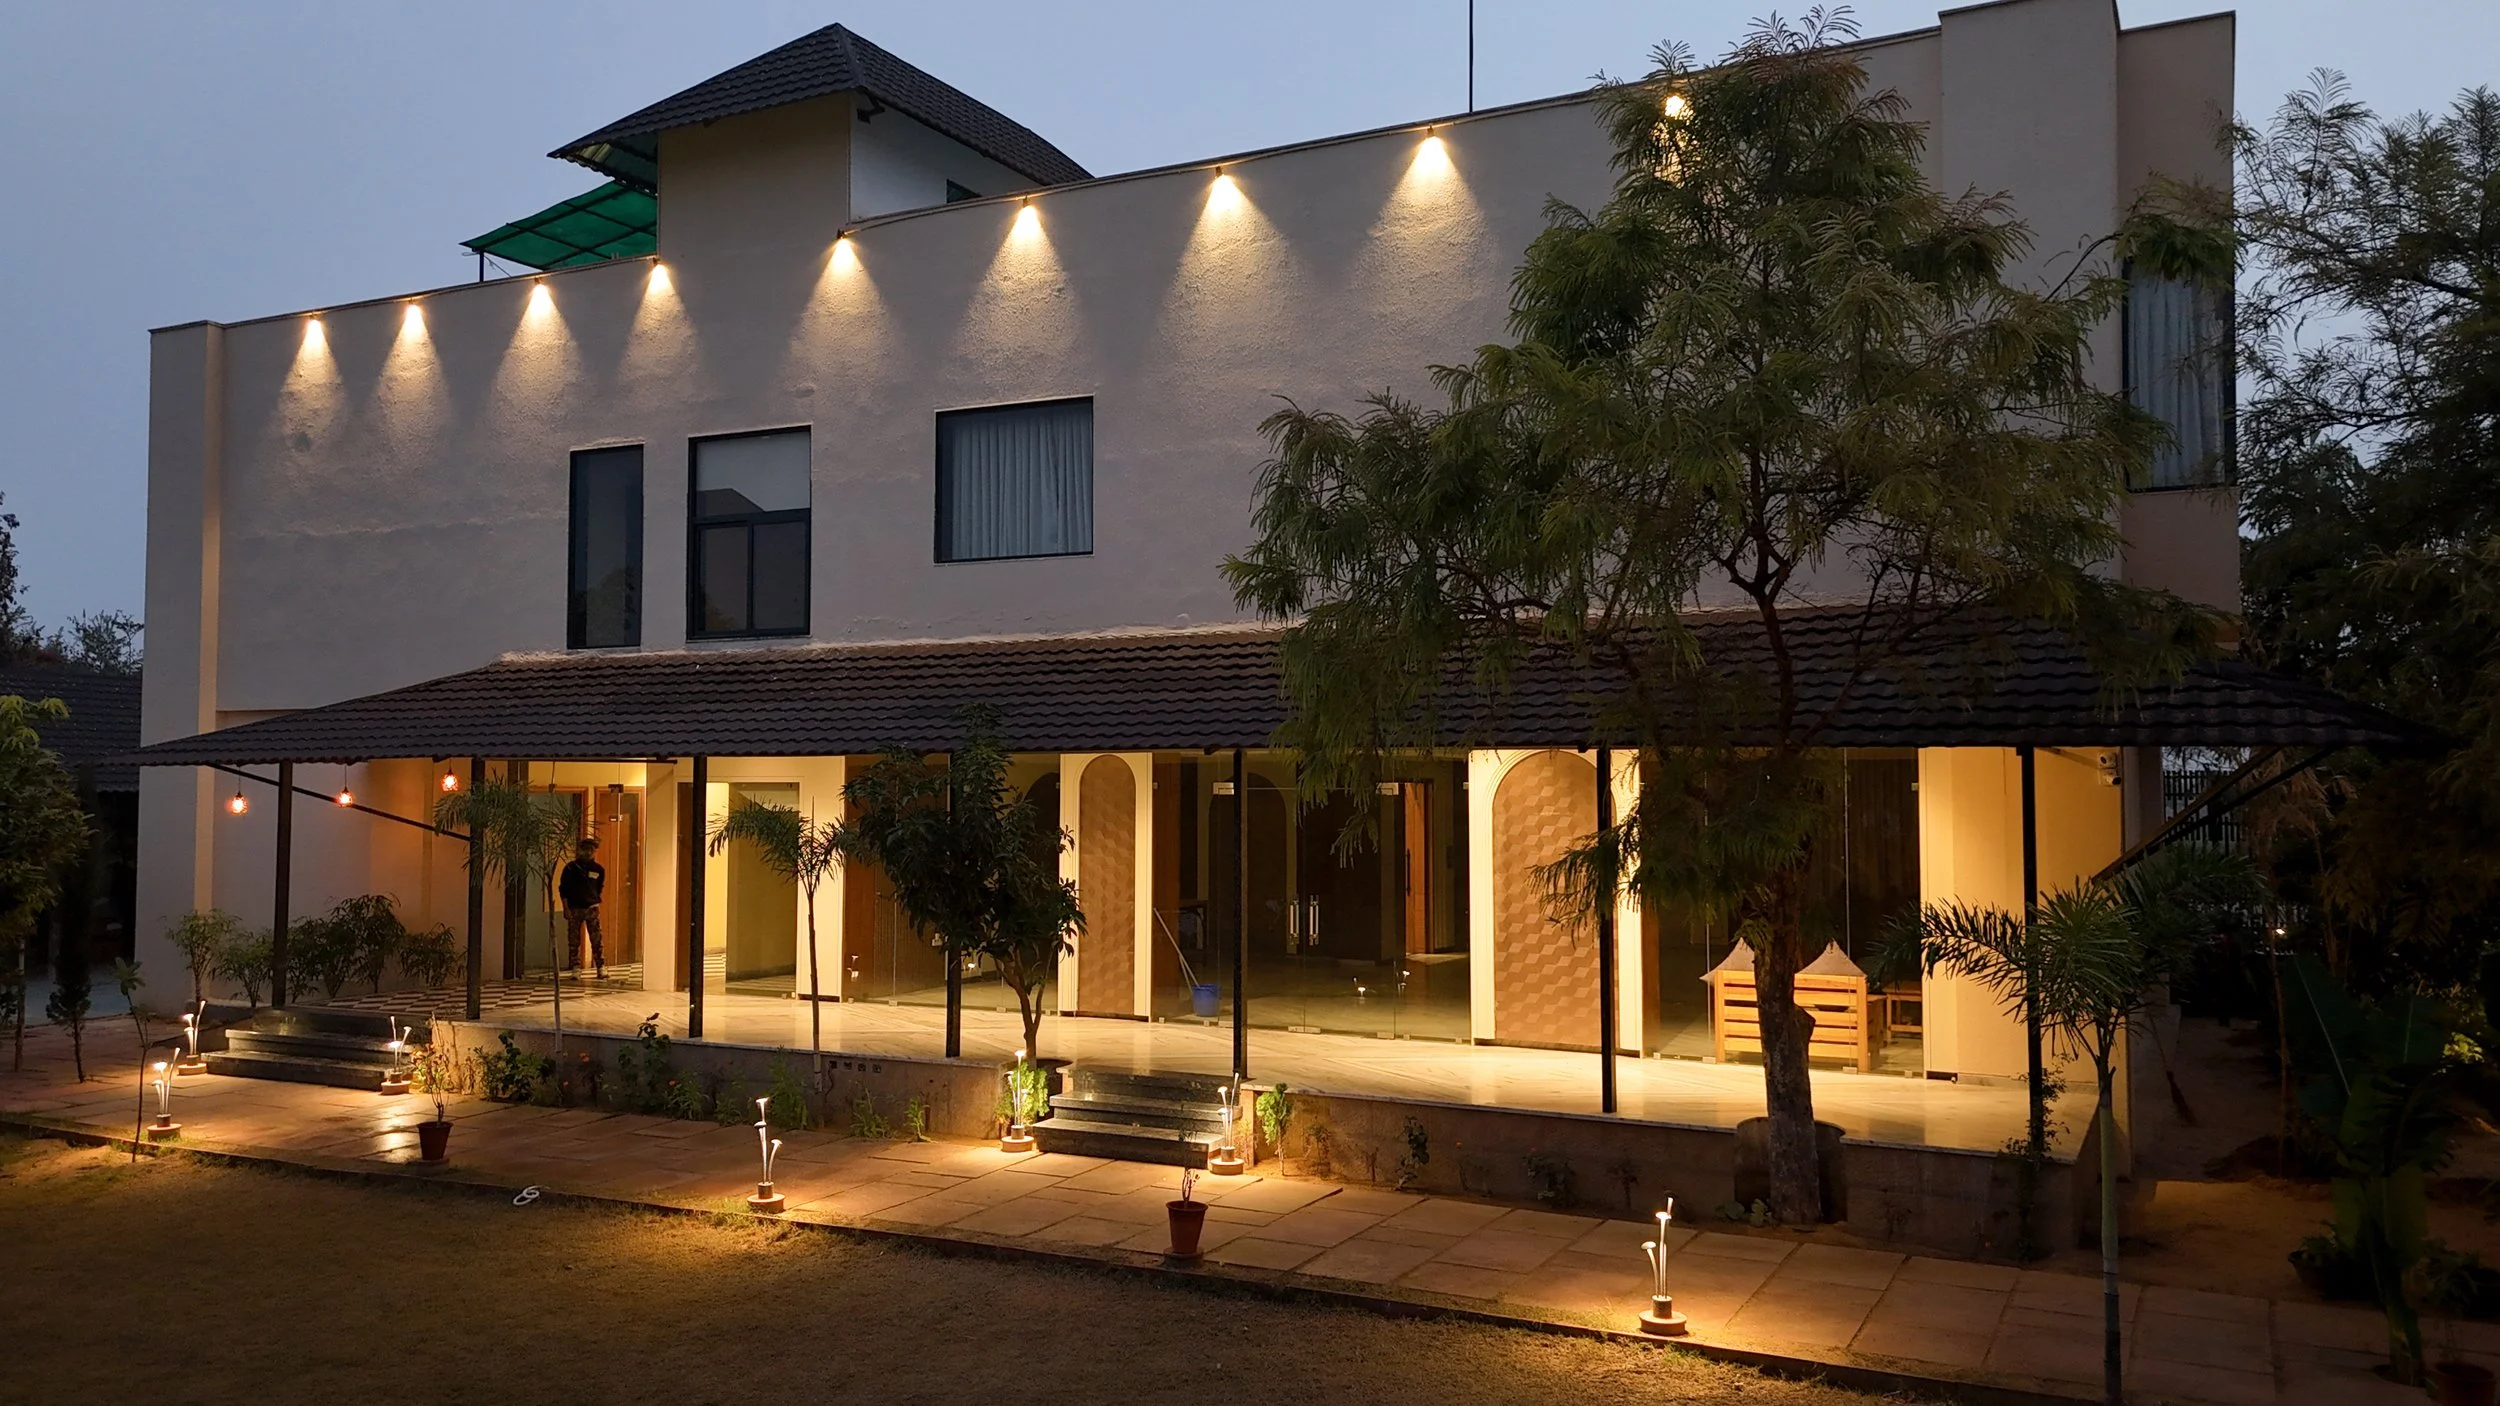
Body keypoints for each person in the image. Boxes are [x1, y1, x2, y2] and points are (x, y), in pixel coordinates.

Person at [558, 836, 607, 978]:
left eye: (591, 849)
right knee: (574, 940)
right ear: (580, 850)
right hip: (574, 908)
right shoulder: (571, 868)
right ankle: (575, 967)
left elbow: (599, 887)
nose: (588, 852)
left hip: (591, 907)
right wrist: (566, 908)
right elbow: (563, 889)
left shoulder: (598, 869)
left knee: (596, 938)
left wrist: (595, 900)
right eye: (585, 849)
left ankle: (601, 966)